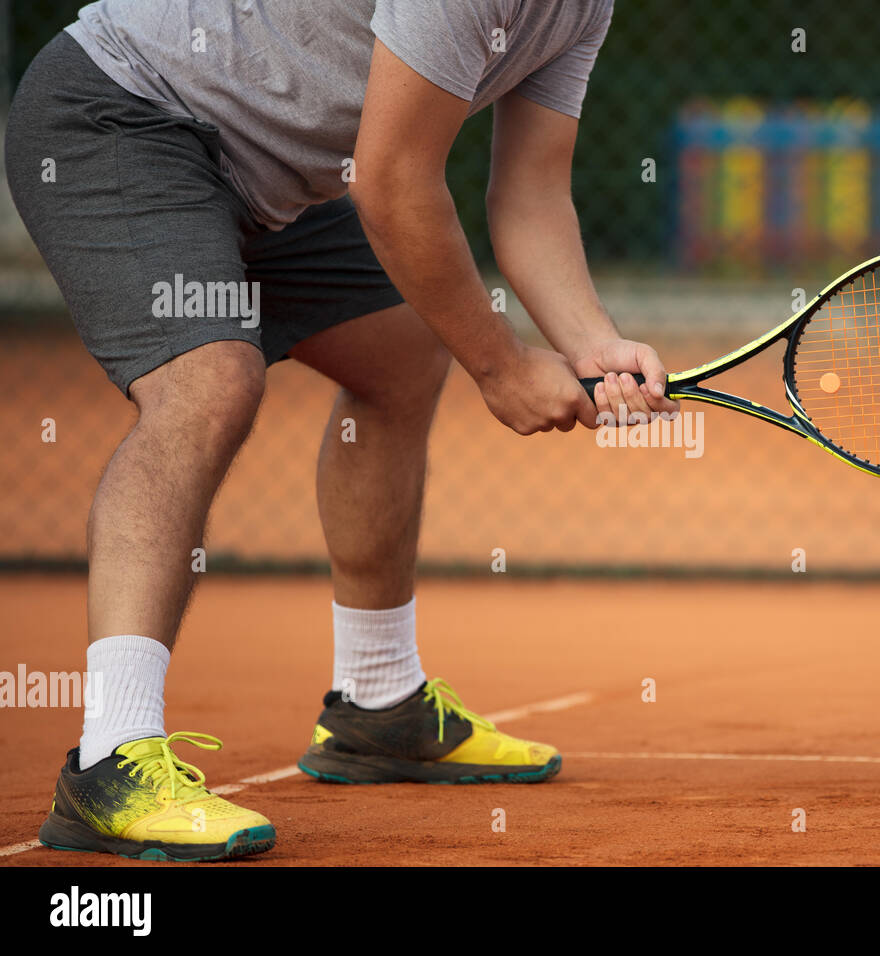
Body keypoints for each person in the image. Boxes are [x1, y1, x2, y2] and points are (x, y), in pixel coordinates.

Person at [5, 0, 677, 862]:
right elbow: (393, 181)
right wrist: (504, 369)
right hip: (125, 111)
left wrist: (594, 344)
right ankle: (110, 757)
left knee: (402, 355)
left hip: (276, 177)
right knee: (209, 385)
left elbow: (532, 194)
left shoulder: (584, 8)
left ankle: (377, 703)